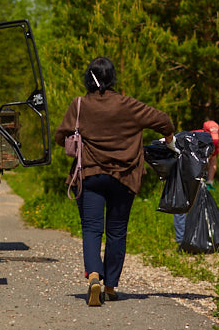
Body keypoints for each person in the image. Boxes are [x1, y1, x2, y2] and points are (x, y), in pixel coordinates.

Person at [54, 56, 175, 306]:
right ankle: (109, 286)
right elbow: (164, 121)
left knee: (91, 228)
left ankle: (94, 276)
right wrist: (170, 138)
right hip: (124, 177)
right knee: (117, 232)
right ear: (112, 79)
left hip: (90, 175)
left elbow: (59, 137)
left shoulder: (79, 105)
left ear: (88, 78)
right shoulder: (128, 105)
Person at [173, 119, 219, 244]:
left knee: (199, 204)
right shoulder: (191, 139)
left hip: (198, 175)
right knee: (182, 205)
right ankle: (181, 240)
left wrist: (210, 182)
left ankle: (197, 238)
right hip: (182, 173)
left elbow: (213, 162)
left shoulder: (214, 141)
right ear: (203, 132)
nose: (213, 139)